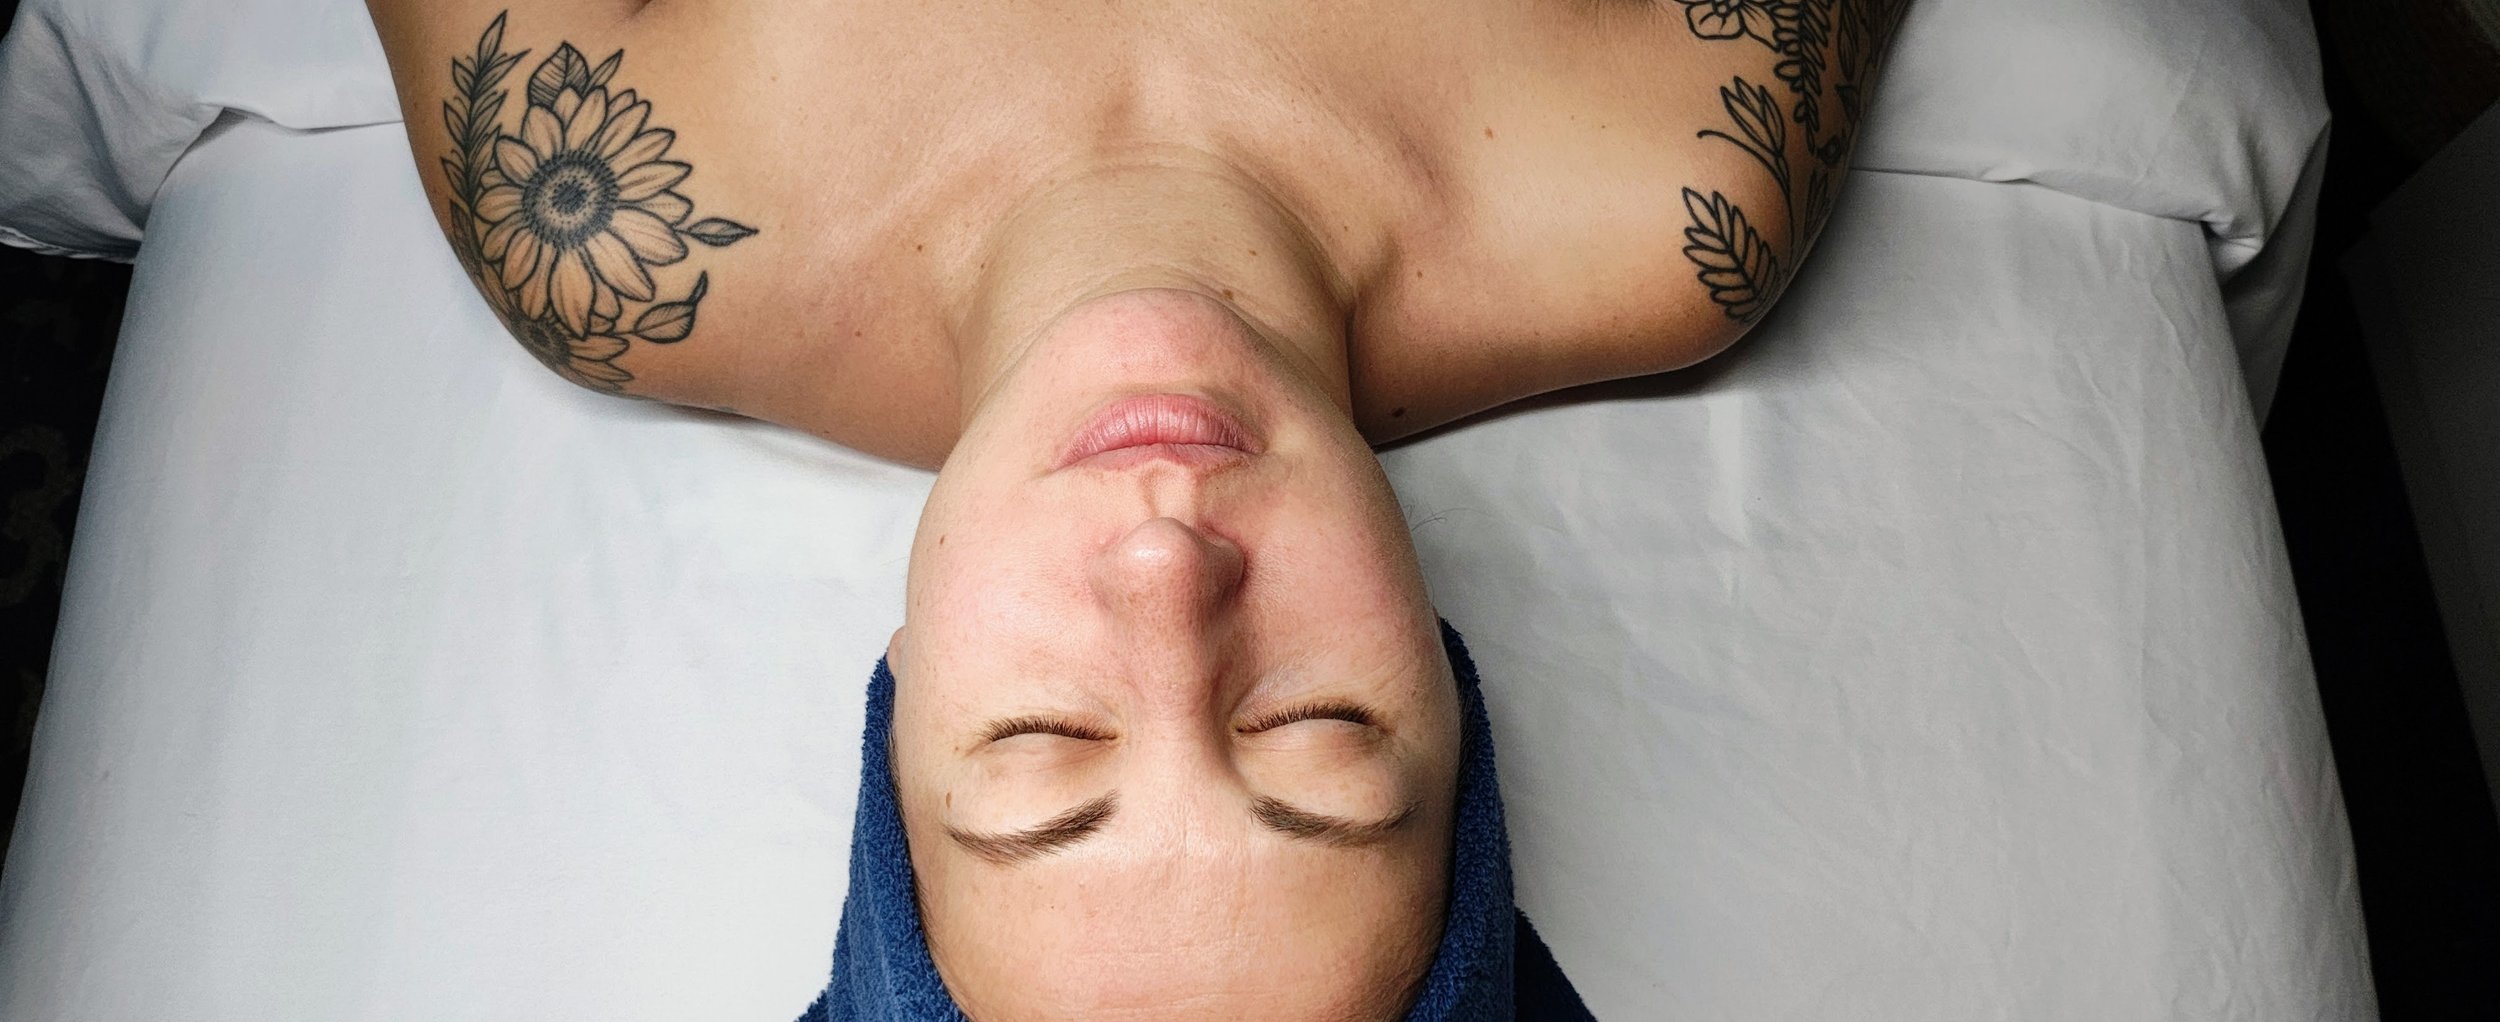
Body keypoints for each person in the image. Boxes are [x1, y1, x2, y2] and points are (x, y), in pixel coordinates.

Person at [364, 1, 1906, 1016]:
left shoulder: (589, 190)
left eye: (1044, 749)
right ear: (1442, 685)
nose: (1168, 567)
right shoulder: (1693, 170)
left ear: (903, 707)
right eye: (1317, 730)